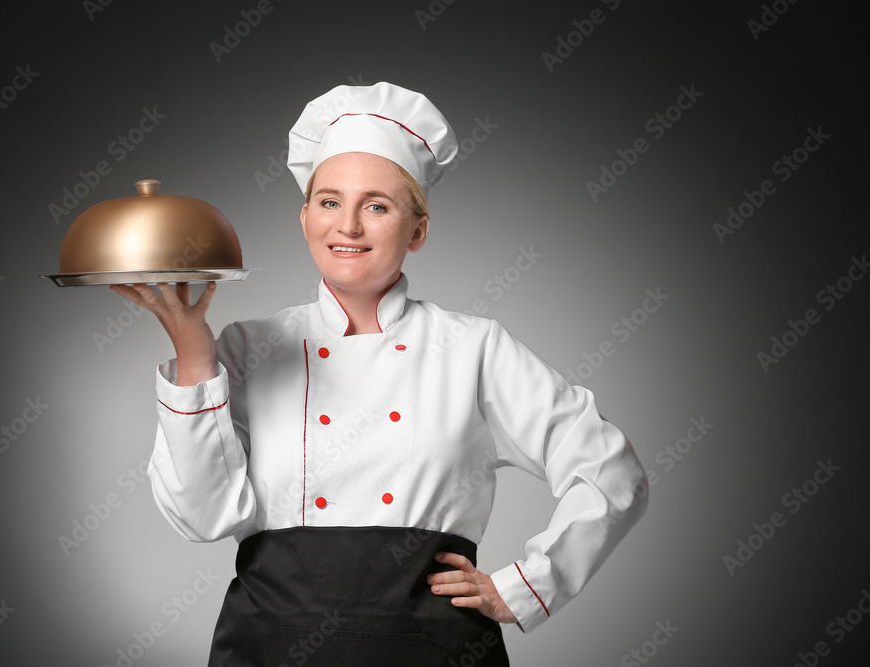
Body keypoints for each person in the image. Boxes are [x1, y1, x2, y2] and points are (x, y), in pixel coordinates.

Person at [111, 82, 648, 666]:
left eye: (377, 205)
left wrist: (525, 587)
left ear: (417, 231)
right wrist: (194, 354)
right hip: (270, 650)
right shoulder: (247, 347)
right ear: (304, 216)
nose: (348, 227)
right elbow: (202, 517)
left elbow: (611, 473)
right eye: (329, 202)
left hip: (434, 650)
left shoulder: (474, 349)